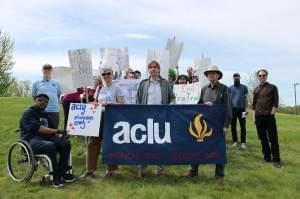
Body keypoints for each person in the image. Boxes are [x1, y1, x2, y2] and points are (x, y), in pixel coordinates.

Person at [185, 65, 231, 183]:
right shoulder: (204, 89)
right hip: (204, 125)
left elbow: (228, 108)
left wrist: (226, 124)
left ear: (218, 75)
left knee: (219, 149)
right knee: (197, 146)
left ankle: (219, 175)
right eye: (209, 73)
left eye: (213, 73)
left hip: (218, 125)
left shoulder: (224, 89)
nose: (211, 75)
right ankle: (193, 170)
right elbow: (199, 105)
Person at [19, 93, 75, 187]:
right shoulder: (28, 113)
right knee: (49, 145)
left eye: (45, 102)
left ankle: (63, 172)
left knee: (65, 143)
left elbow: (52, 131)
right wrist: (58, 130)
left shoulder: (46, 115)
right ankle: (55, 177)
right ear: (35, 100)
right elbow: (38, 129)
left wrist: (61, 135)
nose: (43, 103)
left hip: (46, 138)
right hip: (30, 140)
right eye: (40, 100)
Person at [80, 67, 124, 179]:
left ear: (112, 74)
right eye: (104, 74)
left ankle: (110, 170)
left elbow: (121, 104)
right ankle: (89, 169)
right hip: (97, 117)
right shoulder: (99, 88)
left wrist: (109, 105)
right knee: (92, 142)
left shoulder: (117, 88)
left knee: (109, 143)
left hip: (111, 117)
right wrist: (90, 103)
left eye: (108, 74)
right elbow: (95, 103)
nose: (106, 76)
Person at [136, 60, 175, 177]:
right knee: (144, 143)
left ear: (159, 70)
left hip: (161, 117)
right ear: (148, 70)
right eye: (151, 67)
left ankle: (160, 169)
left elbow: (172, 98)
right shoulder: (143, 84)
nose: (153, 69)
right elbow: (138, 100)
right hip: (146, 118)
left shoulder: (166, 83)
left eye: (155, 67)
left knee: (161, 143)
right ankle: (142, 169)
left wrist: (171, 104)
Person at [252, 69, 281, 168]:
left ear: (267, 76)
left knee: (273, 139)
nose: (262, 77)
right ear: (257, 77)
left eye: (263, 75)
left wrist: (271, 114)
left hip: (269, 117)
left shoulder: (273, 87)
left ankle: (276, 159)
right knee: (262, 138)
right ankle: (267, 157)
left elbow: (275, 103)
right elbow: (254, 105)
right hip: (259, 117)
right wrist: (254, 117)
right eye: (260, 76)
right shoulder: (255, 90)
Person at [32, 64, 62, 129]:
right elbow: (34, 96)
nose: (47, 71)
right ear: (42, 71)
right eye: (45, 70)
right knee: (42, 129)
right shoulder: (36, 83)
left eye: (49, 70)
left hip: (54, 110)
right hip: (41, 110)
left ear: (51, 71)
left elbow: (59, 95)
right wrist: (39, 105)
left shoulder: (56, 83)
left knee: (54, 129)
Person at [229, 73, 248, 148]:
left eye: (237, 77)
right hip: (232, 110)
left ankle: (243, 142)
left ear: (240, 78)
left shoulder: (244, 87)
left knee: (243, 126)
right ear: (233, 78)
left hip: (242, 110)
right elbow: (228, 100)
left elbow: (246, 99)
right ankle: (235, 141)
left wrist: (246, 109)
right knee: (233, 126)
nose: (236, 78)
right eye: (235, 77)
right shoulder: (230, 88)